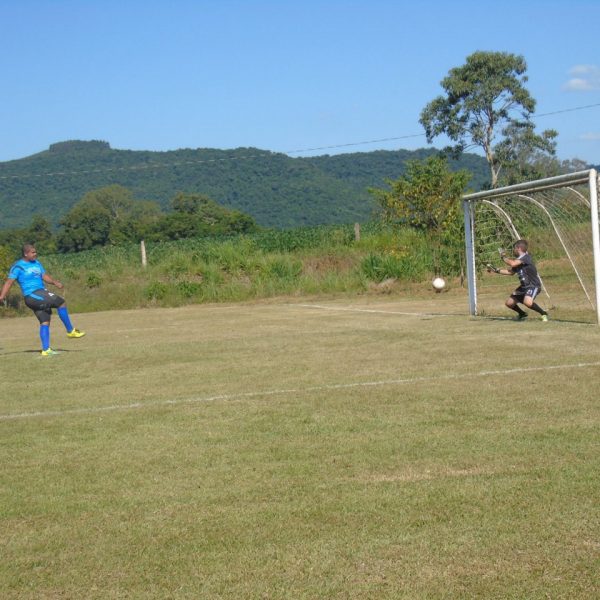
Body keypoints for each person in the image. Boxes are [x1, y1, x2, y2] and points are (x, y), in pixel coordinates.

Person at [0, 244, 85, 355]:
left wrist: (55, 282)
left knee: (45, 320)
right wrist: (2, 296)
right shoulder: (18, 266)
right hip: (32, 295)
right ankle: (70, 331)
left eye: (35, 252)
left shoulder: (37, 263)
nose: (35, 254)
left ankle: (46, 350)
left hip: (40, 293)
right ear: (26, 254)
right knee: (61, 302)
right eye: (33, 252)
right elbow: (9, 282)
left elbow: (44, 276)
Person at [486, 239, 549, 321]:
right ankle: (522, 314)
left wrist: (503, 257)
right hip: (523, 287)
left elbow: (512, 263)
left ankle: (543, 314)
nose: (513, 250)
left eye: (514, 248)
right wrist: (496, 270)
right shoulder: (518, 260)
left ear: (518, 248)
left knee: (527, 302)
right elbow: (510, 272)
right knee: (509, 303)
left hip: (533, 285)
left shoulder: (526, 257)